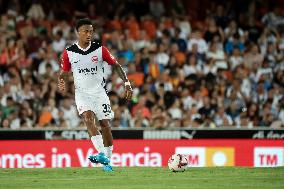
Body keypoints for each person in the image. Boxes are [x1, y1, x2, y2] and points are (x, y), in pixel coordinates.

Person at [57, 18, 133, 172]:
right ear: (78, 32)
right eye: (85, 31)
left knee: (105, 125)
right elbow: (64, 73)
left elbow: (116, 66)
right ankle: (101, 154)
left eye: (91, 31)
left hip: (99, 92)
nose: (89, 34)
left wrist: (126, 83)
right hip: (82, 93)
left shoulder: (100, 50)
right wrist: (62, 81)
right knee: (87, 119)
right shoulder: (69, 53)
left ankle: (107, 160)